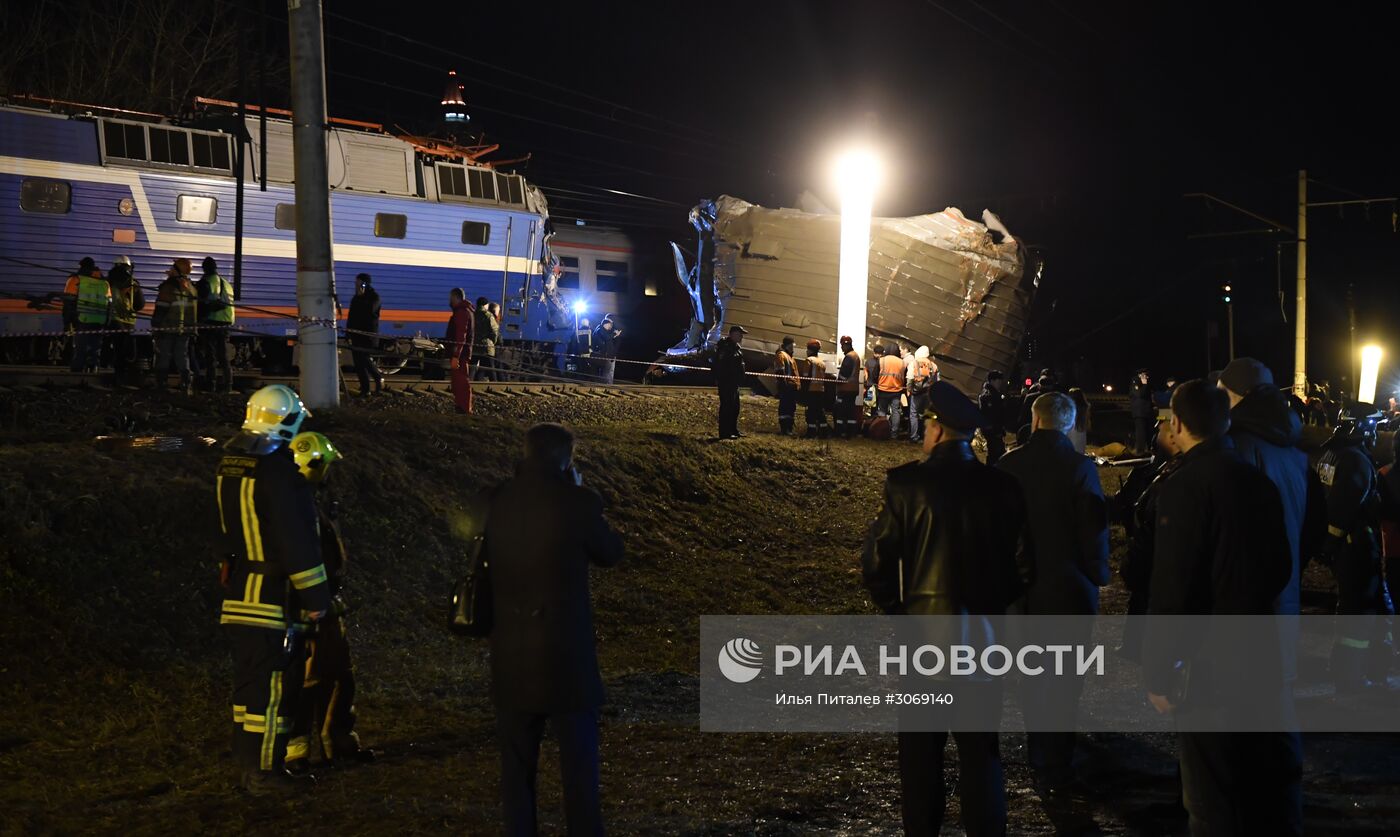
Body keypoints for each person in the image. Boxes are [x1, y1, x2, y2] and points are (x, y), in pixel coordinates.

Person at [862, 381, 1031, 836]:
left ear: (935, 429)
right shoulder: (1004, 487)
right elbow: (1024, 565)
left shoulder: (904, 484)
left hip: (922, 646)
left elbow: (877, 563)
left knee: (920, 757)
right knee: (981, 754)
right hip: (985, 645)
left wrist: (901, 612)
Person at [1142, 380, 1302, 836]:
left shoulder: (1185, 486)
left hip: (1207, 666)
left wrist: (1157, 672)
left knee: (1211, 798)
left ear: (1176, 424)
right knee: (1264, 788)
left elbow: (1173, 586)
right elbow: (1280, 567)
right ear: (1226, 421)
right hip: (1260, 652)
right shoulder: (1257, 482)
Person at [486, 423, 624, 836]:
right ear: (566, 460)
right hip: (566, 659)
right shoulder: (576, 503)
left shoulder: (496, 501)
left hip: (511, 654)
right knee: (578, 766)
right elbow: (611, 552)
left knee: (516, 767)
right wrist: (581, 492)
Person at [215, 385, 330, 795]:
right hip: (273, 600)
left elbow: (229, 530)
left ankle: (247, 764)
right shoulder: (281, 472)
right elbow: (296, 540)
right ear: (286, 421)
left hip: (240, 594)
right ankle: (265, 773)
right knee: (275, 689)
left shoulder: (232, 464)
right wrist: (317, 598)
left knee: (249, 685)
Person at [997, 392, 1111, 796]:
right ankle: (1056, 756)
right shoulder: (1080, 469)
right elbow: (1092, 530)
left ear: (1034, 417)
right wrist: (1099, 573)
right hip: (1069, 588)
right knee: (1066, 676)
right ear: (1070, 423)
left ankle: (1040, 753)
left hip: (1023, 590)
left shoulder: (1008, 465)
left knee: (1032, 674)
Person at [1217, 358, 1314, 678]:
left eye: (1221, 393)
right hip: (1285, 590)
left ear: (1239, 396)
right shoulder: (1294, 448)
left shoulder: (1237, 445)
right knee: (1277, 693)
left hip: (1244, 600)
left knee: (1242, 700)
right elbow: (1314, 523)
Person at [283, 432, 374, 772]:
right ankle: (297, 750)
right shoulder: (298, 507)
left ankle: (339, 740)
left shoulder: (310, 502)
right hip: (310, 604)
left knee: (339, 674)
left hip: (325, 600)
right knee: (309, 680)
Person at [1317, 404, 1389, 690]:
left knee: (1351, 607)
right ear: (1364, 428)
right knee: (1360, 611)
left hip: (1342, 547)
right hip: (1356, 546)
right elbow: (1343, 507)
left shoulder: (1331, 452)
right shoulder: (1356, 461)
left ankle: (1352, 671)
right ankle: (1351, 676)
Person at [1113, 409, 1184, 660]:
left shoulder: (1176, 477)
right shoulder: (1152, 470)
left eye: (1162, 433)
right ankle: (1134, 645)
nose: (1156, 438)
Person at [153, 258, 197, 393]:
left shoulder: (169, 286)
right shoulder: (191, 288)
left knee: (164, 355)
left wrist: (156, 325)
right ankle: (186, 384)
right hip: (185, 329)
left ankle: (162, 384)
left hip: (168, 327)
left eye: (173, 267)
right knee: (182, 356)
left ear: (177, 270)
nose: (170, 269)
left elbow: (162, 307)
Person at [194, 257, 235, 392]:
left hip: (212, 321)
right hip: (226, 321)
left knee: (210, 355)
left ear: (204, 268)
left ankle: (211, 385)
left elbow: (201, 303)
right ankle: (228, 386)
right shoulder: (226, 283)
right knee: (223, 356)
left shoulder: (206, 282)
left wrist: (198, 320)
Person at [67, 256, 111, 372]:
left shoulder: (76, 279)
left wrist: (67, 322)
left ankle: (77, 372)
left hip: (82, 319)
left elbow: (68, 302)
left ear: (81, 266)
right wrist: (107, 321)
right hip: (99, 320)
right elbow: (109, 303)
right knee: (95, 348)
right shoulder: (105, 283)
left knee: (80, 347)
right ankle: (93, 369)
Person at [106, 256, 143, 385]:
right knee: (126, 349)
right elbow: (140, 304)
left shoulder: (108, 281)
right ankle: (123, 376)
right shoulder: (133, 283)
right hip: (129, 321)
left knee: (117, 347)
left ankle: (116, 373)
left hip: (114, 318)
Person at [346, 273, 384, 396]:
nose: (356, 285)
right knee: (358, 363)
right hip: (356, 334)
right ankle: (365, 389)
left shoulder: (374, 297)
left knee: (364, 358)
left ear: (365, 283)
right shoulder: (356, 298)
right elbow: (351, 316)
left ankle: (378, 378)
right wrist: (348, 333)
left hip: (367, 335)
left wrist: (361, 297)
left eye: (358, 282)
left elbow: (369, 312)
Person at [713, 325, 746, 439]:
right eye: (740, 334)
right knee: (727, 407)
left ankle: (733, 430)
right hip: (727, 382)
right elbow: (720, 365)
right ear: (732, 334)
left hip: (734, 383)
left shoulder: (736, 347)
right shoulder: (725, 348)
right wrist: (722, 379)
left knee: (735, 407)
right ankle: (724, 433)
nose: (742, 336)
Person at [445, 288, 475, 414]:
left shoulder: (461, 312)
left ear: (456, 298)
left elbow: (460, 335)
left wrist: (456, 355)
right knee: (459, 381)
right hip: (462, 353)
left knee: (461, 381)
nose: (449, 301)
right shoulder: (467, 311)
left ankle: (463, 408)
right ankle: (461, 407)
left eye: (451, 298)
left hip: (460, 354)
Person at [874, 344, 907, 440]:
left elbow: (875, 374)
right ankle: (894, 434)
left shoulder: (881, 360)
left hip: (883, 389)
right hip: (896, 390)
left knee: (882, 411)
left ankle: (881, 431)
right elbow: (904, 376)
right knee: (895, 412)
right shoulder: (902, 362)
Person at [905, 346, 936, 444]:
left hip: (916, 392)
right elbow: (937, 381)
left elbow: (909, 378)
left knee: (913, 414)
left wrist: (909, 389)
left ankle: (914, 437)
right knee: (927, 414)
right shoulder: (933, 365)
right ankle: (926, 437)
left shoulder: (913, 363)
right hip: (928, 393)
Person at [800, 339, 829, 439]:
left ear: (810, 350)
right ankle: (824, 432)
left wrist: (803, 392)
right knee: (820, 412)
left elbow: (805, 378)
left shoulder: (809, 361)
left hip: (811, 390)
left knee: (810, 412)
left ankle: (811, 433)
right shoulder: (821, 362)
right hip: (820, 390)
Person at [834, 335, 862, 439]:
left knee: (841, 412)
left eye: (842, 345)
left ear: (846, 345)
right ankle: (851, 432)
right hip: (853, 389)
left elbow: (844, 375)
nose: (841, 348)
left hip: (845, 389)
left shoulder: (849, 357)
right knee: (851, 412)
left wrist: (836, 381)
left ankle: (840, 432)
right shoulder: (855, 355)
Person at [773, 336, 800, 436]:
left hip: (791, 387)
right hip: (786, 386)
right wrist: (783, 385)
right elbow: (779, 370)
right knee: (785, 408)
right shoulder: (781, 355)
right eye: (793, 345)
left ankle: (789, 428)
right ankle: (785, 429)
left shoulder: (789, 356)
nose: (794, 347)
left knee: (790, 408)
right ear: (789, 345)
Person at [979, 371, 1008, 464]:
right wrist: (997, 430)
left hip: (995, 430)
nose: (1000, 384)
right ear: (992, 381)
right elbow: (992, 415)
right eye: (998, 381)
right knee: (996, 455)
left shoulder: (993, 393)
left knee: (996, 454)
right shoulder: (989, 395)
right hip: (993, 431)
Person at [475, 296, 502, 383]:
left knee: (474, 368)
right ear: (485, 305)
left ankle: (472, 384)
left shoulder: (472, 314)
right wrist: (492, 342)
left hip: (474, 345)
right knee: (491, 368)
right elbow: (494, 331)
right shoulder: (488, 315)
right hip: (486, 346)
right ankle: (495, 385)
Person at [1129, 368, 1155, 454]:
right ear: (1140, 375)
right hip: (1139, 412)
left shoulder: (1147, 384)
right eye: (1144, 375)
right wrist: (1144, 385)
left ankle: (1149, 449)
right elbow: (1139, 394)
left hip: (1147, 412)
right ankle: (1140, 451)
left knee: (1148, 431)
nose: (1146, 377)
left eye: (1147, 375)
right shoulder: (1135, 382)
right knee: (1141, 432)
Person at [590, 315, 621, 385]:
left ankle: (607, 384)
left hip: (609, 354)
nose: (610, 327)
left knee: (609, 371)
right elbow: (607, 338)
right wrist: (614, 335)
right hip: (602, 354)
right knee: (606, 371)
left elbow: (613, 340)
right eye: (609, 325)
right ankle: (605, 385)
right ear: (605, 323)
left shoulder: (608, 331)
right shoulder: (600, 330)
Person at [1066, 388, 1091, 454]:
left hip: (1070, 445)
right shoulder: (1085, 410)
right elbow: (1088, 427)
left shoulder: (1068, 410)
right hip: (1080, 444)